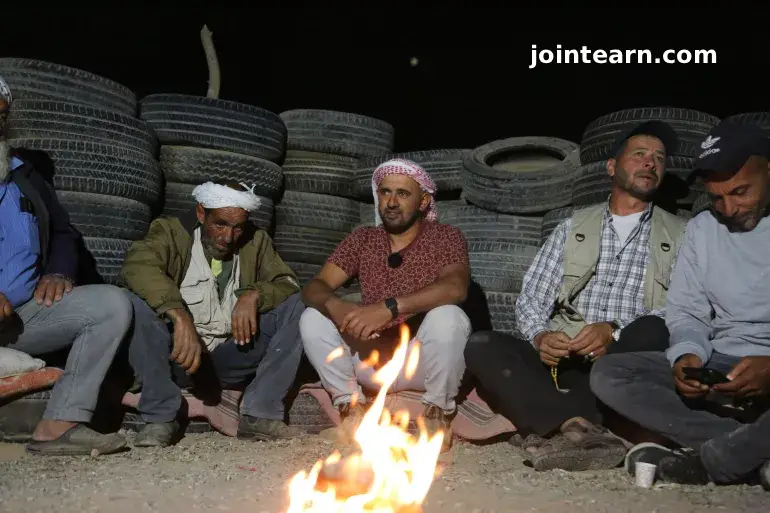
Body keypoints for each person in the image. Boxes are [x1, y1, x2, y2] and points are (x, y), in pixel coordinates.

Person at [464, 120, 688, 471]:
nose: (650, 163)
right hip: (563, 361)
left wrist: (612, 332)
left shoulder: (680, 235)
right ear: (612, 167)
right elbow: (532, 299)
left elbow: (678, 309)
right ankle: (580, 425)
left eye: (659, 158)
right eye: (640, 154)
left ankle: (554, 425)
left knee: (652, 330)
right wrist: (540, 337)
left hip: (621, 358)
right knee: (481, 345)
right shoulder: (572, 227)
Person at [591, 121, 770, 490]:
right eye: (716, 197)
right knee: (611, 374)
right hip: (725, 365)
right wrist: (687, 356)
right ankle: (748, 444)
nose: (730, 208)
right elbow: (687, 310)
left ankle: (718, 461)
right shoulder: (703, 229)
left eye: (740, 192)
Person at [299, 158, 471, 452]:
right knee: (312, 317)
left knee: (450, 317)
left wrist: (389, 307)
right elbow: (315, 286)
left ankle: (435, 414)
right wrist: (335, 305)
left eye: (402, 194)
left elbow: (456, 287)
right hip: (372, 358)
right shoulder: (364, 238)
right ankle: (352, 410)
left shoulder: (446, 237)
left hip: (419, 362)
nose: (391, 202)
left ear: (423, 201)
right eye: (385, 192)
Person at [119, 180, 307, 446]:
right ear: (200, 213)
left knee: (299, 305)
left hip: (227, 358)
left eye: (237, 227)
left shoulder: (256, 241)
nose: (228, 237)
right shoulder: (170, 232)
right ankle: (161, 416)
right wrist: (179, 316)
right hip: (179, 358)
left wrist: (255, 295)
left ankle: (259, 414)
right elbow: (138, 266)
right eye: (220, 224)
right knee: (134, 303)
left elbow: (287, 282)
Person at [0, 75, 129, 456]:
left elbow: (63, 232)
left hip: (18, 318)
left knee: (111, 304)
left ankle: (59, 424)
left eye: (0, 115)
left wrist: (58, 271)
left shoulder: (23, 175)